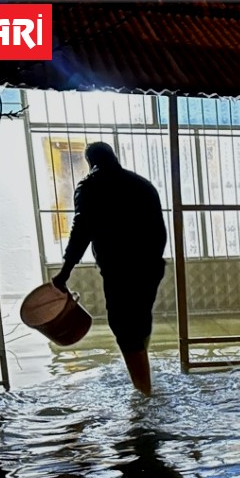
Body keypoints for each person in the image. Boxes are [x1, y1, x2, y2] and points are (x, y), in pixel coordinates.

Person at [52, 142, 166, 395]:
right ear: (114, 157)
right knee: (139, 318)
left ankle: (143, 391)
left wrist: (65, 271)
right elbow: (160, 231)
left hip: (118, 268)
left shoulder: (90, 186)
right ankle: (144, 377)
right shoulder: (142, 184)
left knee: (123, 325)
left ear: (90, 162)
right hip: (150, 265)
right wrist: (152, 261)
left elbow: (81, 231)